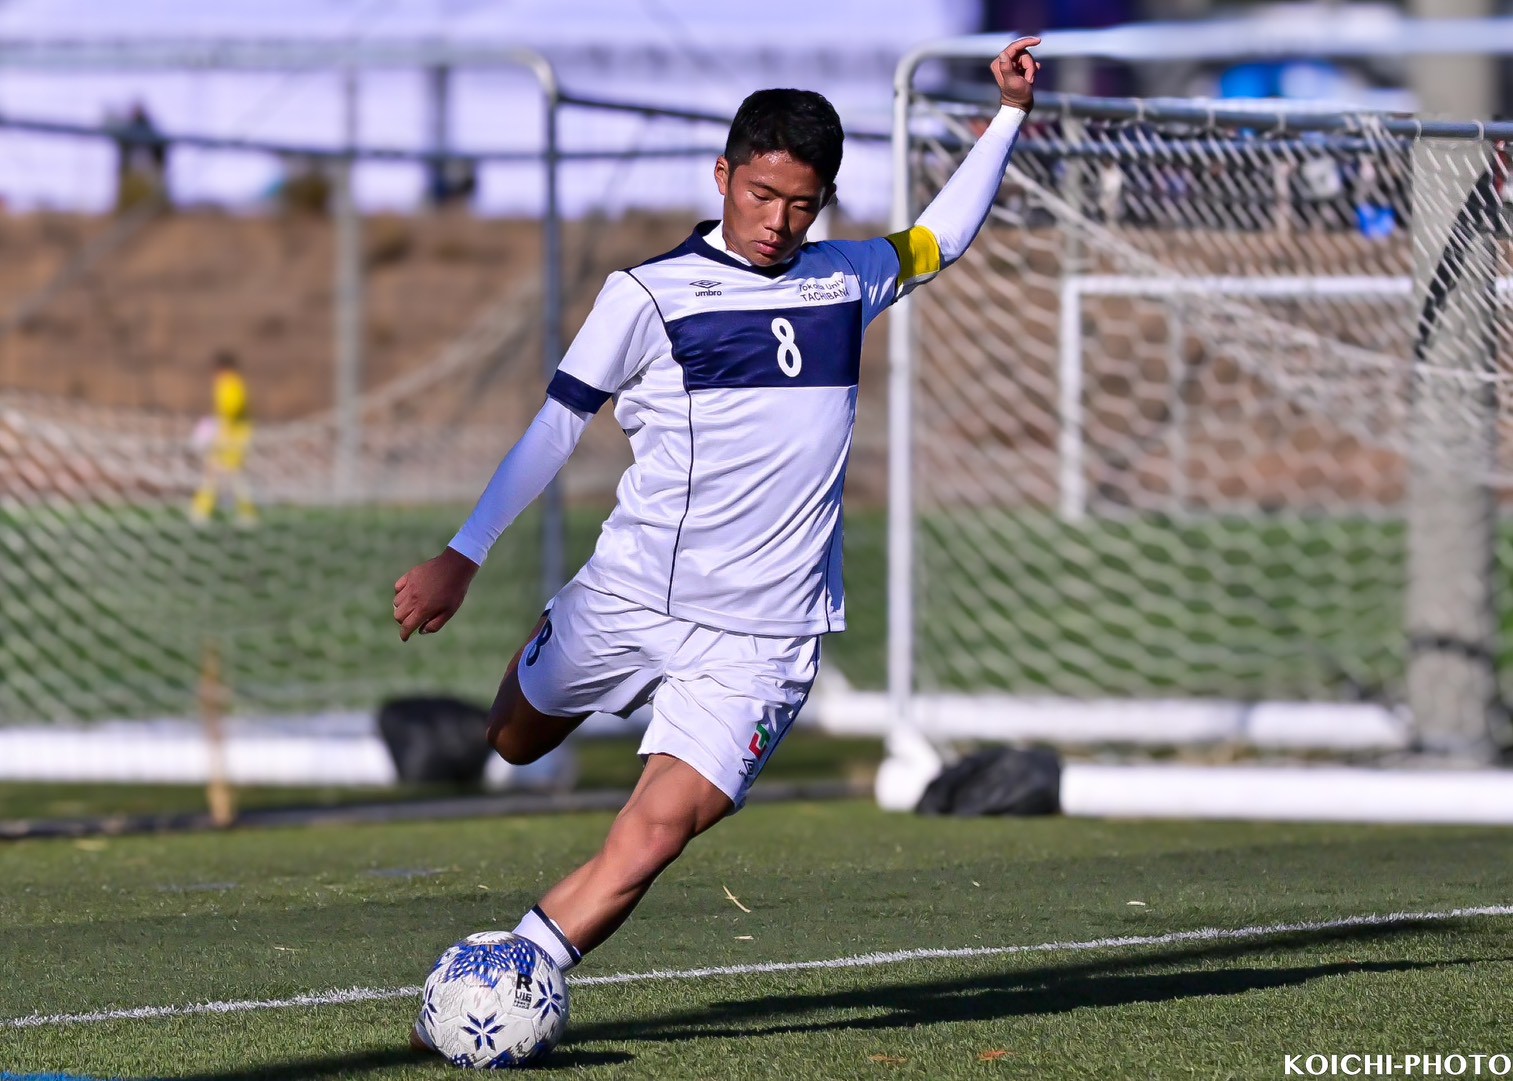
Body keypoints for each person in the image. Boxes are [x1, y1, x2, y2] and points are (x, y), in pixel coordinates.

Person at [393, 36, 1041, 1033]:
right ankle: (574, 681)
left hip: (763, 639)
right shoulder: (646, 294)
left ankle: (512, 976)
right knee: (512, 739)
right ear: (722, 175)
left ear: (824, 202)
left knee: (657, 829)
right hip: (629, 594)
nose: (778, 221)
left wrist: (1007, 115)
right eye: (761, 194)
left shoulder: (847, 278)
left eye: (802, 204)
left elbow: (938, 238)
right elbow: (557, 424)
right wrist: (462, 553)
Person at [189, 351, 257, 526]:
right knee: (220, 475)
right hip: (227, 437)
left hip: (233, 439)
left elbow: (232, 411)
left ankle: (245, 515)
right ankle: (202, 512)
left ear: (221, 368)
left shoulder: (231, 384)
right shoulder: (228, 384)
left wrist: (212, 426)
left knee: (228, 476)